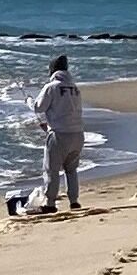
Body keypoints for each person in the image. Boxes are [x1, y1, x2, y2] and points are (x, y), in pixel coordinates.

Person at [32, 55, 87, 213]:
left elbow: (39, 107)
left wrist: (29, 101)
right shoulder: (75, 88)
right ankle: (74, 201)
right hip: (77, 134)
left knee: (51, 169)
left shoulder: (51, 87)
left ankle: (50, 203)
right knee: (71, 169)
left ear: (52, 70)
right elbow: (69, 112)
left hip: (59, 135)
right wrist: (49, 126)